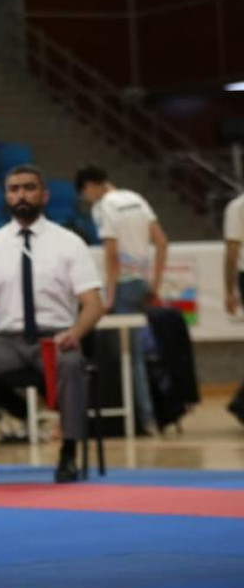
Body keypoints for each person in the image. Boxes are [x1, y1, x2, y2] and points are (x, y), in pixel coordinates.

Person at [0, 165, 104, 486]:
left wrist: (74, 334)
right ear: (6, 196)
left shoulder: (70, 243)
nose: (21, 195)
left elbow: (93, 305)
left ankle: (68, 453)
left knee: (71, 365)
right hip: (4, 341)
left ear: (44, 195)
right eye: (14, 189)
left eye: (29, 188)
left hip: (54, 339)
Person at [76, 165, 168, 433]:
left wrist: (109, 295)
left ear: (89, 186)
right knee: (142, 351)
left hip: (123, 286)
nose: (87, 199)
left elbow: (112, 254)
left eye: (85, 194)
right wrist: (155, 284)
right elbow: (162, 242)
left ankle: (145, 418)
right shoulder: (136, 199)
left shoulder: (103, 207)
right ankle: (154, 412)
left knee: (129, 357)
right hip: (142, 282)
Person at [224, 191, 244, 426]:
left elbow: (232, 250)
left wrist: (229, 290)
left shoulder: (237, 206)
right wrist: (230, 290)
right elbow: (232, 250)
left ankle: (240, 403)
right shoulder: (237, 206)